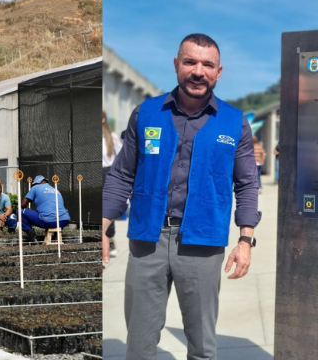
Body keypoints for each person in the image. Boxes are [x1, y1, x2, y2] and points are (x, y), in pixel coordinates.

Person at [102, 33, 260, 360]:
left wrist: (246, 240)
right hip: (149, 240)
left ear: (218, 72)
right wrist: (102, 226)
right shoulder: (146, 113)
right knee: (140, 345)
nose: (198, 71)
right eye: (190, 62)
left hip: (203, 242)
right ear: (176, 64)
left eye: (207, 65)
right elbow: (121, 173)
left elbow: (246, 184)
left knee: (203, 346)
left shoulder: (234, 122)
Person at [22, 176, 71, 244]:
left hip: (47, 221)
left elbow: (23, 204)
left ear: (37, 183)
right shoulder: (56, 190)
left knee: (20, 212)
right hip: (63, 221)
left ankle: (32, 238)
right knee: (64, 211)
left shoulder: (35, 187)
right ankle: (56, 236)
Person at [103, 111, 122, 258]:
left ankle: (110, 240)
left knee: (108, 208)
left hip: (108, 172)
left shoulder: (112, 137)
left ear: (103, 119)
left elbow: (122, 155)